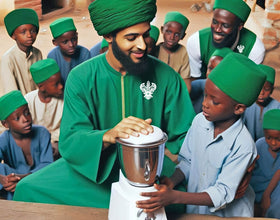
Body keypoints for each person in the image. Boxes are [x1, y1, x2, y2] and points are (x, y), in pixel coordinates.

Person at [13, 0, 195, 212]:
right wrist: (108, 136)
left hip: (149, 172)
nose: (143, 45)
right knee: (29, 189)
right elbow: (71, 138)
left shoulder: (167, 76)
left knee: (180, 201)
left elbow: (187, 138)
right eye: (131, 37)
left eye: (145, 34)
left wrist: (170, 172)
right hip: (95, 169)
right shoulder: (81, 77)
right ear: (109, 37)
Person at [136, 53, 266, 217]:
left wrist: (175, 197)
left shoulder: (243, 146)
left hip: (229, 215)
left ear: (238, 108)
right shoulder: (199, 122)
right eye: (205, 95)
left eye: (215, 101)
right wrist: (172, 181)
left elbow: (222, 193)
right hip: (197, 211)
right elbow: (188, 161)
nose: (205, 103)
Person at [187, 0, 265, 80]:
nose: (217, 29)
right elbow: (194, 81)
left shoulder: (254, 48)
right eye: (215, 22)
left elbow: (248, 85)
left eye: (225, 25)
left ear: (240, 26)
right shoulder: (197, 41)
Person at [0, 90, 53, 200]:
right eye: (17, 118)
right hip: (14, 183)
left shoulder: (42, 133)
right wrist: (3, 179)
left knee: (55, 169)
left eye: (27, 113)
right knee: (2, 168)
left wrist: (22, 178)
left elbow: (47, 165)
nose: (26, 120)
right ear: (5, 124)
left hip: (39, 180)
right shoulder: (4, 139)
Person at [24, 59, 64, 160]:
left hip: (60, 145)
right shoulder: (28, 100)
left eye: (61, 82)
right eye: (56, 84)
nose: (61, 86)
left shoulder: (66, 100)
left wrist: (55, 143)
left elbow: (68, 126)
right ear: (42, 87)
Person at [0, 8, 42, 96]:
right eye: (23, 32)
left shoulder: (37, 53)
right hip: (19, 106)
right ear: (13, 36)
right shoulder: (7, 59)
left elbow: (40, 82)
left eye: (33, 31)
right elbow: (11, 93)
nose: (29, 35)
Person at [250, 109, 280, 218]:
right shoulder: (259, 144)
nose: (273, 142)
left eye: (278, 139)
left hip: (275, 185)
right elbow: (250, 167)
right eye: (269, 138)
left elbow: (278, 173)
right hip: (257, 184)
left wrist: (266, 195)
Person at [47, 17, 91, 86]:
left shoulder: (84, 53)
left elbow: (88, 79)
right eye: (65, 42)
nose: (71, 45)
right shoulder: (53, 56)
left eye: (74, 39)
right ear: (55, 43)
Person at [155, 11, 191, 91]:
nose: (172, 37)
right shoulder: (155, 50)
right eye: (168, 32)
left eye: (177, 34)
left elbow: (186, 81)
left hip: (174, 90)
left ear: (183, 36)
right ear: (162, 30)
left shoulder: (183, 52)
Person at [243, 64, 280, 141]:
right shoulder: (246, 105)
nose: (261, 93)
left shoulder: (277, 107)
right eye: (258, 88)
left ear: (272, 90)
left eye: (266, 89)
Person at [190, 47, 233, 113]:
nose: (212, 75)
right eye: (210, 68)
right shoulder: (199, 85)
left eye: (219, 71)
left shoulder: (238, 99)